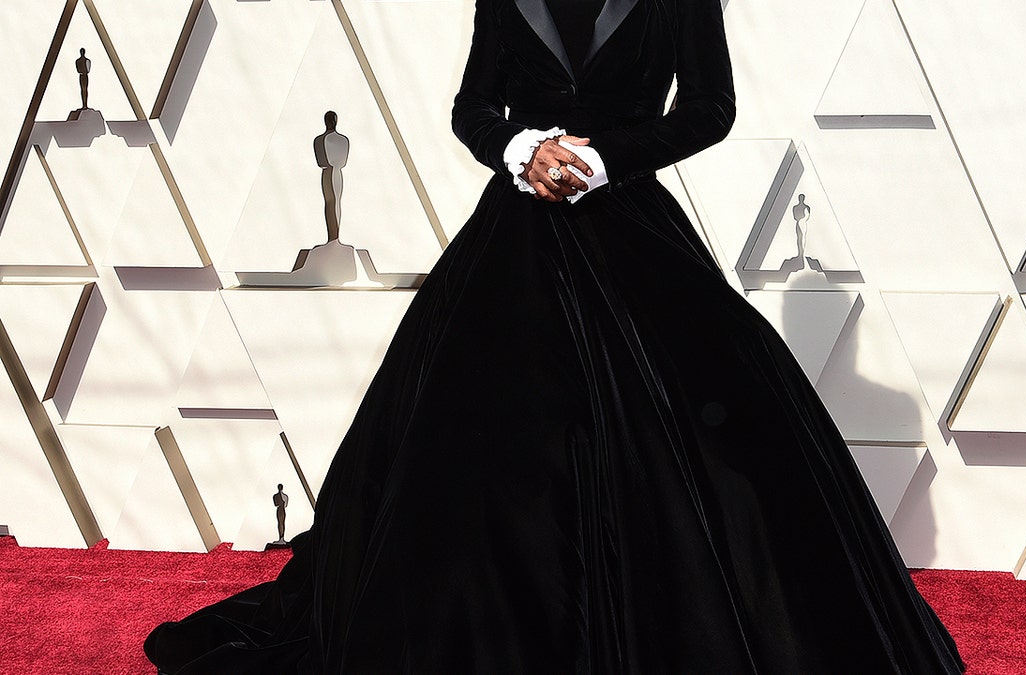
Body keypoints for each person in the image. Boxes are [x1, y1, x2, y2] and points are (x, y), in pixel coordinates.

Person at [145, 0, 966, 672]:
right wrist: (517, 147)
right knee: (475, 447)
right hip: (514, 236)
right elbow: (473, 106)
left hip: (630, 224)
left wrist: (607, 157)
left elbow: (712, 108)